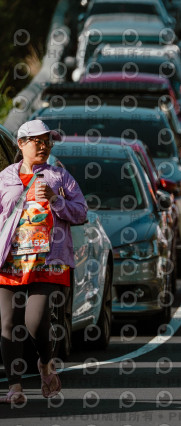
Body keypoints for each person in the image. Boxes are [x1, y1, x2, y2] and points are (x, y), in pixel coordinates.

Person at [0, 120, 88, 404]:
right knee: (8, 323)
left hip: (48, 261)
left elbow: (81, 212)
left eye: (47, 141)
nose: (44, 146)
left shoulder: (59, 176)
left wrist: (55, 200)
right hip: (10, 261)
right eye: (37, 141)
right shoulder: (5, 178)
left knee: (35, 321)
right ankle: (14, 387)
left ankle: (45, 363)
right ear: (21, 144)